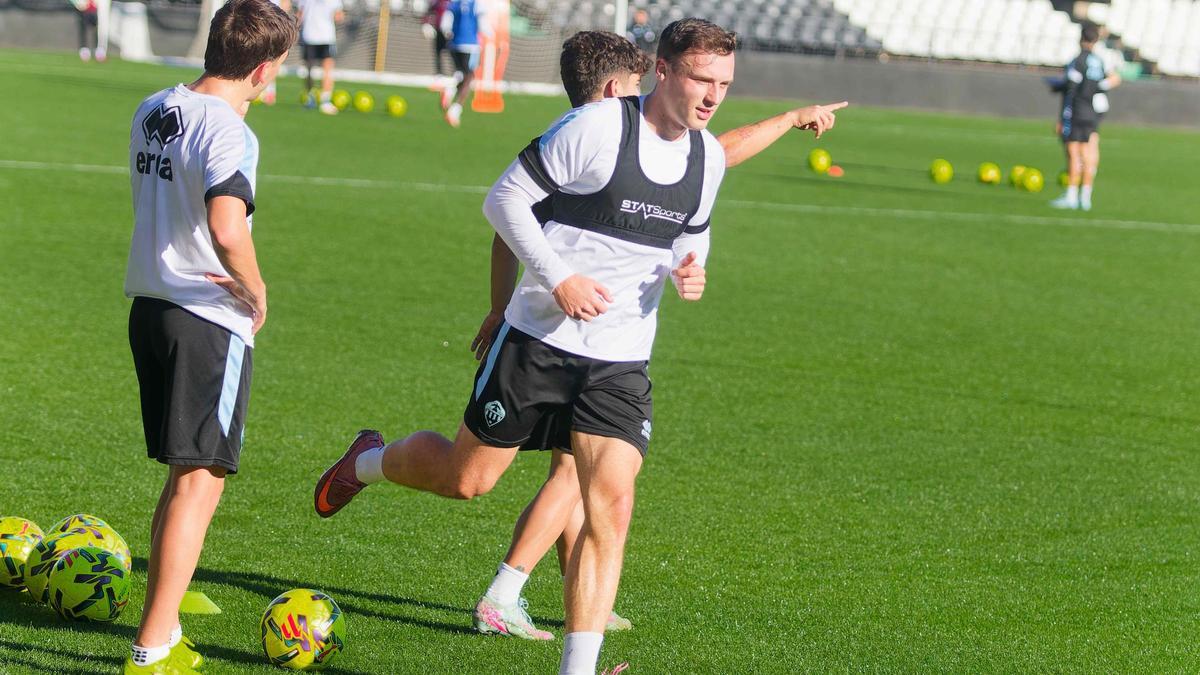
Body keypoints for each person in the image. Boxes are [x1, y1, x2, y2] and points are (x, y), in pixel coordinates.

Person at [468, 30, 847, 641]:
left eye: (723, 85)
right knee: (485, 478)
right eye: (699, 81)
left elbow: (708, 165)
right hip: (541, 337)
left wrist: (689, 264)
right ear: (623, 88)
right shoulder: (583, 145)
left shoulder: (671, 149)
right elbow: (503, 220)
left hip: (615, 354)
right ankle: (504, 587)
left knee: (599, 490)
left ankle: (563, 608)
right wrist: (509, 305)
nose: (710, 96)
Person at [123, 0, 295, 672]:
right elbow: (227, 226)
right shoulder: (230, 129)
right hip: (204, 316)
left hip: (151, 306)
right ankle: (154, 644)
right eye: (276, 68)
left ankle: (165, 613)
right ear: (259, 66)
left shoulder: (152, 106)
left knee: (183, 474)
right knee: (202, 481)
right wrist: (256, 288)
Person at [1050, 22, 1120, 212]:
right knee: (1088, 154)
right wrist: (1098, 87)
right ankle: (1086, 197)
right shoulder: (1099, 60)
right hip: (1092, 112)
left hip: (1077, 110)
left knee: (1074, 153)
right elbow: (1112, 79)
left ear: (1081, 39)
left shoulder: (1078, 60)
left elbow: (1071, 88)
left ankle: (1072, 196)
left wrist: (1057, 88)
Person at [440, 0, 492, 127]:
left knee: (461, 71)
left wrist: (449, 34)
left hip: (455, 43)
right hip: (470, 45)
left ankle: (450, 89)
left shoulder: (454, 3)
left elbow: (444, 24)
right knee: (470, 76)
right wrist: (490, 34)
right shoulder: (476, 4)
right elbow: (482, 24)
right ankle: (455, 110)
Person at [297, 0, 344, 115]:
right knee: (327, 68)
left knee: (310, 69)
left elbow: (300, 15)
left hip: (311, 36)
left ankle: (311, 99)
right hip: (323, 36)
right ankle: (325, 101)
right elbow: (339, 16)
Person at [422, 0, 452, 84]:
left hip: (452, 32)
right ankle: (439, 73)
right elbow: (429, 11)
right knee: (437, 52)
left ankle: (456, 72)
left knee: (453, 53)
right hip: (439, 31)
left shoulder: (454, 3)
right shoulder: (439, 2)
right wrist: (426, 24)